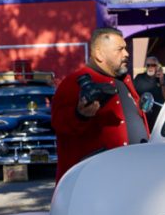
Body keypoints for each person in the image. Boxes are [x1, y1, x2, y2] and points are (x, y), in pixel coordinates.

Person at [51, 27, 149, 181]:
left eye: (126, 48)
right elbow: (59, 125)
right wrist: (80, 115)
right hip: (95, 183)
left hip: (133, 176)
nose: (126, 54)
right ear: (99, 54)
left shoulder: (125, 81)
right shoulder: (72, 83)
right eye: (120, 49)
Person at [133, 55, 165, 129]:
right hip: (143, 116)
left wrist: (162, 80)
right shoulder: (139, 78)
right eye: (148, 65)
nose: (150, 67)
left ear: (157, 67)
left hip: (159, 117)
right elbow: (132, 94)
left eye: (153, 65)